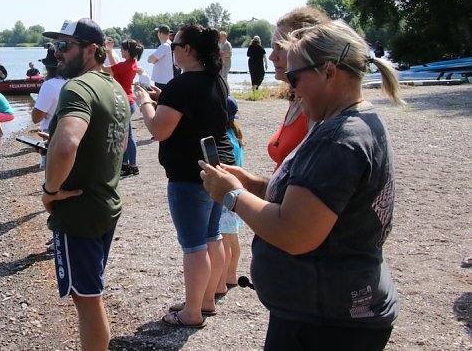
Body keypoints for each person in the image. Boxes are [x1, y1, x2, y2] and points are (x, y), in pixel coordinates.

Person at [200, 20, 404, 350]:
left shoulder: (339, 139)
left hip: (326, 323)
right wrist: (253, 184)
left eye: (295, 79)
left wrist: (232, 195)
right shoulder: (355, 119)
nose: (290, 90)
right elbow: (314, 201)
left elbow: (294, 233)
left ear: (329, 71)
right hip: (332, 313)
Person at [133, 24, 234, 329]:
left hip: (189, 176)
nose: (173, 50)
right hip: (217, 169)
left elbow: (159, 129)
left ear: (187, 49)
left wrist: (146, 103)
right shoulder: (216, 80)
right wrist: (165, 99)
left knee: (194, 246)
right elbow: (193, 110)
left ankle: (192, 312)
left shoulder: (182, 85)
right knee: (212, 236)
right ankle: (206, 300)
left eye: (175, 45)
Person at [40, 17, 130, 351]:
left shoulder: (77, 88)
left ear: (92, 50)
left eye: (65, 46)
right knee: (92, 293)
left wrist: (50, 191)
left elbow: (65, 146)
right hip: (106, 204)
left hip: (78, 210)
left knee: (87, 299)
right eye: (55, 46)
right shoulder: (115, 89)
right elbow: (119, 146)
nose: (57, 53)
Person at [267, 7, 330, 172]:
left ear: (308, 51)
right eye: (272, 47)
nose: (272, 56)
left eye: (281, 47)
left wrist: (237, 193)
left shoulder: (319, 110)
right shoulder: (297, 98)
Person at [216, 96, 244, 292]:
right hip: (237, 190)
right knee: (232, 236)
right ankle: (231, 274)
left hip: (226, 191)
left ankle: (223, 277)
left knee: (224, 237)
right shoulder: (236, 135)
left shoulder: (224, 138)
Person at [104, 39, 144, 177]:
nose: (120, 50)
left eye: (122, 48)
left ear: (127, 51)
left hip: (125, 103)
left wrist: (95, 58)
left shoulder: (125, 65)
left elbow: (106, 70)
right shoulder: (131, 63)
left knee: (126, 136)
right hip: (129, 101)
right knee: (128, 135)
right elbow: (116, 69)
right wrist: (109, 53)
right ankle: (128, 165)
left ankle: (131, 165)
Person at [31, 49, 67, 169]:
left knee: (51, 172)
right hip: (71, 131)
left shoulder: (49, 85)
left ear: (48, 67)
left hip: (51, 132)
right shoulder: (75, 81)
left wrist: (37, 105)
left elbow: (36, 118)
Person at [147, 25, 174, 89]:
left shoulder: (164, 46)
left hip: (162, 81)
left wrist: (154, 59)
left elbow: (150, 60)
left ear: (160, 34)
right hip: (167, 79)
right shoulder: (171, 44)